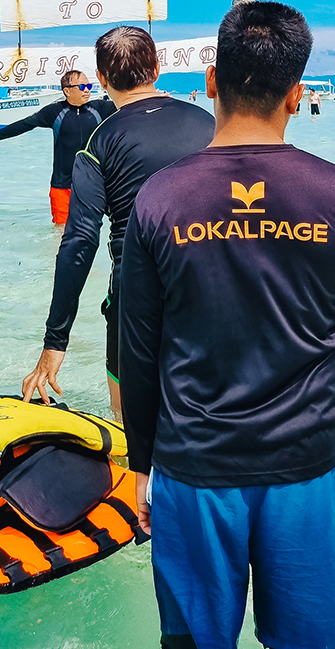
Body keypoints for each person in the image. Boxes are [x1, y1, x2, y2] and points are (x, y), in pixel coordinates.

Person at [120, 2, 335, 649]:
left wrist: (141, 463)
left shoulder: (161, 197)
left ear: (210, 80)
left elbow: (137, 351)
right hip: (307, 470)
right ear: (297, 93)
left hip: (192, 472)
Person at [21, 28, 214, 417]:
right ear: (157, 69)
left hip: (135, 292)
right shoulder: (208, 124)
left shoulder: (100, 141)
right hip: (213, 285)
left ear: (104, 79)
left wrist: (55, 342)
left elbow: (79, 243)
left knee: (129, 422)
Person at [0, 71, 115, 225]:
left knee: (90, 231)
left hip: (92, 185)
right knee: (61, 233)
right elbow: (24, 124)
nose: (87, 90)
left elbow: (130, 106)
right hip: (62, 187)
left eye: (89, 86)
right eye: (82, 86)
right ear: (67, 90)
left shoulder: (101, 109)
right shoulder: (55, 112)